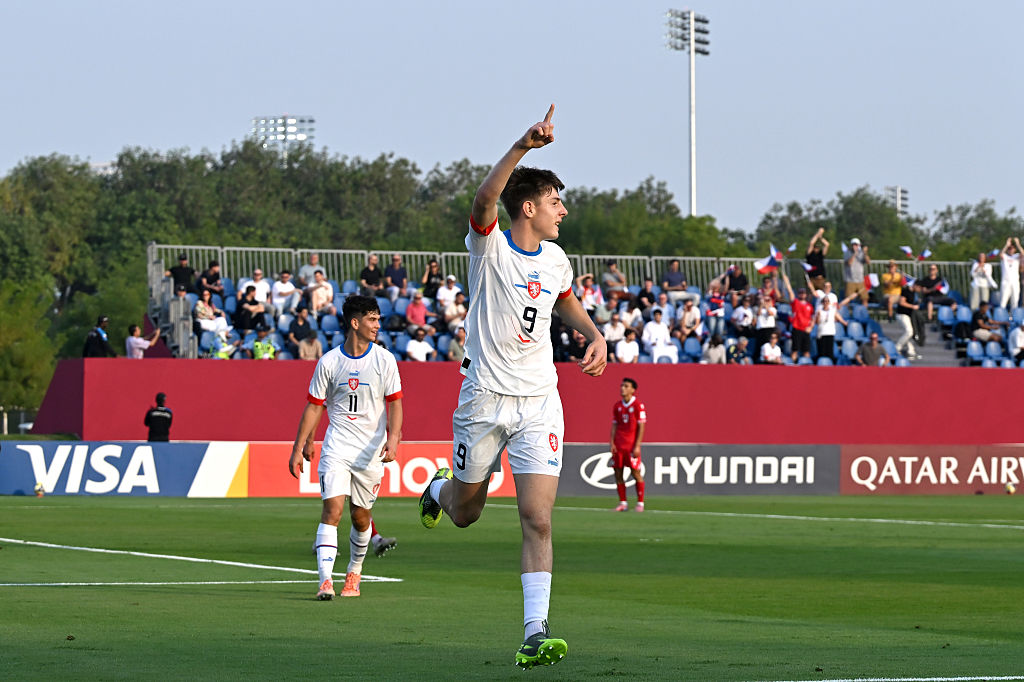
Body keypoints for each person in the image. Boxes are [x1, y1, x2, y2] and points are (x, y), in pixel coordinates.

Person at [416, 106, 605, 670]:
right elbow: (481, 204)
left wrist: (593, 333)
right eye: (555, 203)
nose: (563, 211)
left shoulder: (556, 258)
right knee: (467, 513)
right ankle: (438, 491)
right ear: (529, 207)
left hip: (540, 402)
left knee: (538, 518)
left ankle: (534, 632)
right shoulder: (490, 247)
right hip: (484, 399)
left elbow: (563, 297)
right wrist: (522, 147)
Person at [289, 295, 403, 601]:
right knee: (332, 510)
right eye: (372, 319)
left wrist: (393, 440)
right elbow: (314, 407)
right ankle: (325, 581)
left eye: (378, 319)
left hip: (370, 453)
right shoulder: (329, 362)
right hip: (337, 447)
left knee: (361, 517)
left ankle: (354, 571)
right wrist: (300, 446)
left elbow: (395, 404)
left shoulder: (384, 360)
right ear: (355, 323)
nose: (378, 325)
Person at [610, 377, 646, 512]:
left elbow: (641, 426)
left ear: (633, 390)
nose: (622, 388)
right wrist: (612, 442)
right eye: (622, 386)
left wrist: (637, 445)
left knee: (635, 473)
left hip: (631, 446)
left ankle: (640, 504)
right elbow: (614, 425)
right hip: (619, 444)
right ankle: (623, 503)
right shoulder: (617, 406)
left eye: (626, 386)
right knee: (618, 473)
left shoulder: (638, 405)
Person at [781, 271, 813, 363]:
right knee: (795, 350)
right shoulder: (796, 303)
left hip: (805, 330)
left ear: (806, 295)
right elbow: (790, 292)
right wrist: (787, 282)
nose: (802, 294)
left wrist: (810, 327)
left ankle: (807, 365)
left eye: (803, 293)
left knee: (806, 351)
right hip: (797, 328)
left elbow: (812, 318)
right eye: (800, 293)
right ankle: (793, 366)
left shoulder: (809, 306)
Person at [814, 295, 847, 363]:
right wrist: (818, 316)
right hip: (821, 333)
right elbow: (817, 322)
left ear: (829, 302)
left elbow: (839, 317)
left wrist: (844, 322)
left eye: (827, 301)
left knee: (829, 352)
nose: (825, 303)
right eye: (824, 301)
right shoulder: (819, 311)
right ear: (822, 302)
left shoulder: (832, 310)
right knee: (822, 352)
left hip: (830, 332)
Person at [895, 283, 922, 361]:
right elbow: (901, 302)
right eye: (919, 288)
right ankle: (897, 347)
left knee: (910, 333)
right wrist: (912, 306)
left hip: (908, 316)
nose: (920, 290)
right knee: (909, 332)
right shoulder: (906, 291)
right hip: (902, 314)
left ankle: (911, 351)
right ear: (916, 285)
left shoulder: (915, 294)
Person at [843, 238, 870, 303]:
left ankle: (865, 312)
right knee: (848, 298)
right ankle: (846, 312)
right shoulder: (847, 252)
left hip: (860, 280)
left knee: (864, 298)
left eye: (857, 245)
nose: (855, 246)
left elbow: (868, 262)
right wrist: (855, 254)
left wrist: (865, 253)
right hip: (850, 280)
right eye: (854, 245)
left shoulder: (862, 253)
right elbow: (849, 263)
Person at [1000, 237, 1022, 310]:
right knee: (1003, 300)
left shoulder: (1016, 256)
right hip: (1006, 281)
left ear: (1014, 249)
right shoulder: (1005, 257)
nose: (1011, 249)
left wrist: (1018, 244)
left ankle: (1014, 317)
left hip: (1015, 282)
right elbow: (1001, 254)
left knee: (1015, 301)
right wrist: (1006, 245)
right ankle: (1001, 317)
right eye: (1009, 248)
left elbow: (1023, 254)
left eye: (1012, 248)